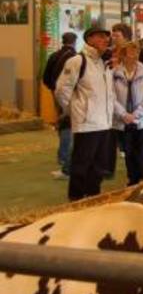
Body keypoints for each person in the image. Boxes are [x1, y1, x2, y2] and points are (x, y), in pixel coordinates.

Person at [55, 25, 115, 201]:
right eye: (101, 36)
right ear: (89, 39)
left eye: (107, 37)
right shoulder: (77, 61)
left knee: (98, 166)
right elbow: (61, 90)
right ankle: (76, 199)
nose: (106, 40)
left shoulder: (105, 62)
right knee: (81, 165)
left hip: (104, 122)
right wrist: (72, 111)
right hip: (86, 124)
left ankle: (93, 197)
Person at [112, 41, 143, 186]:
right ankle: (132, 178)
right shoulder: (115, 73)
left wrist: (136, 114)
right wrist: (123, 114)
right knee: (128, 151)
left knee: (142, 151)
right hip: (123, 120)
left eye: (137, 52)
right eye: (131, 53)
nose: (135, 56)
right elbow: (110, 98)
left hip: (142, 119)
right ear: (124, 55)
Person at [43, 32, 78, 180]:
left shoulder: (54, 56)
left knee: (62, 123)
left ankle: (63, 155)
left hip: (56, 94)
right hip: (71, 96)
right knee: (69, 125)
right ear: (74, 42)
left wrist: (53, 89)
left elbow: (46, 76)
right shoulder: (76, 58)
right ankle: (65, 157)